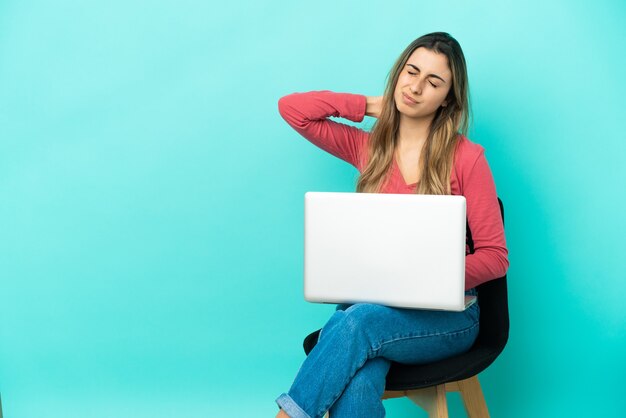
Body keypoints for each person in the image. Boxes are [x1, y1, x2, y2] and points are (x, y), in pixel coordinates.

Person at [274, 32, 509, 418]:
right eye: (410, 72)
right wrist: (370, 105)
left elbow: (496, 258)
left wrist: (425, 274)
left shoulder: (467, 158)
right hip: (370, 310)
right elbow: (293, 109)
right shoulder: (368, 148)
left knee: (356, 324)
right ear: (398, 73)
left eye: (433, 82)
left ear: (448, 98)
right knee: (360, 374)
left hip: (447, 319)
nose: (415, 87)